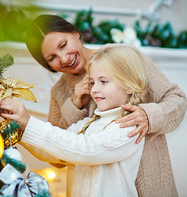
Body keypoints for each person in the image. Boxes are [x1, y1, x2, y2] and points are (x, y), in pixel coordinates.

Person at [22, 14, 187, 197]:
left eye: (63, 45)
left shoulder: (122, 57)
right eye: (52, 57)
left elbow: (177, 98)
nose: (63, 58)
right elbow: (59, 151)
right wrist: (74, 107)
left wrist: (149, 115)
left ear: (76, 33)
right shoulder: (59, 92)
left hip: (151, 184)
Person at [0, 46, 147, 196]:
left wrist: (31, 122)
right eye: (92, 82)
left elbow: (86, 150)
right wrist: (20, 129)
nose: (94, 89)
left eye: (103, 81)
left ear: (129, 86)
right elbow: (55, 152)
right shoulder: (88, 124)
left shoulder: (129, 126)